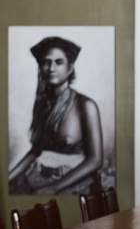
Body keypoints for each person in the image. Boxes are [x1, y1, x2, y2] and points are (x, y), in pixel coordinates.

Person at [9, 36, 105, 195]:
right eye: (46, 62)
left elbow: (95, 160)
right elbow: (36, 151)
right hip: (43, 177)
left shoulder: (86, 106)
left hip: (76, 183)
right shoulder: (41, 104)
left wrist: (54, 188)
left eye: (59, 62)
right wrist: (8, 177)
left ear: (70, 68)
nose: (51, 68)